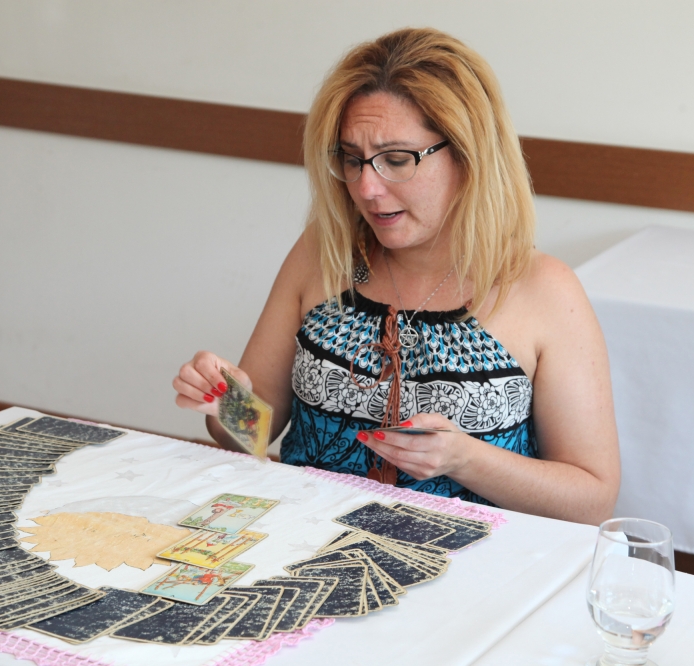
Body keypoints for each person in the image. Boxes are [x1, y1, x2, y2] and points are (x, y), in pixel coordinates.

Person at [173, 27, 619, 525]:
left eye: (397, 159)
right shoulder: (324, 252)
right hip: (303, 540)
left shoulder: (543, 289)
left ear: (469, 156)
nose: (366, 187)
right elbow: (256, 434)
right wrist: (226, 401)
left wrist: (466, 459)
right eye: (353, 159)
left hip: (471, 560)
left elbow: (592, 500)